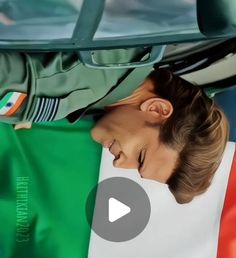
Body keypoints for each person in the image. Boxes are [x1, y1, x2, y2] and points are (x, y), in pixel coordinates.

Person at [0, 49, 229, 204]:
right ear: (157, 109)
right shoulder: (67, 82)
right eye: (140, 156)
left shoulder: (125, 52)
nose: (119, 164)